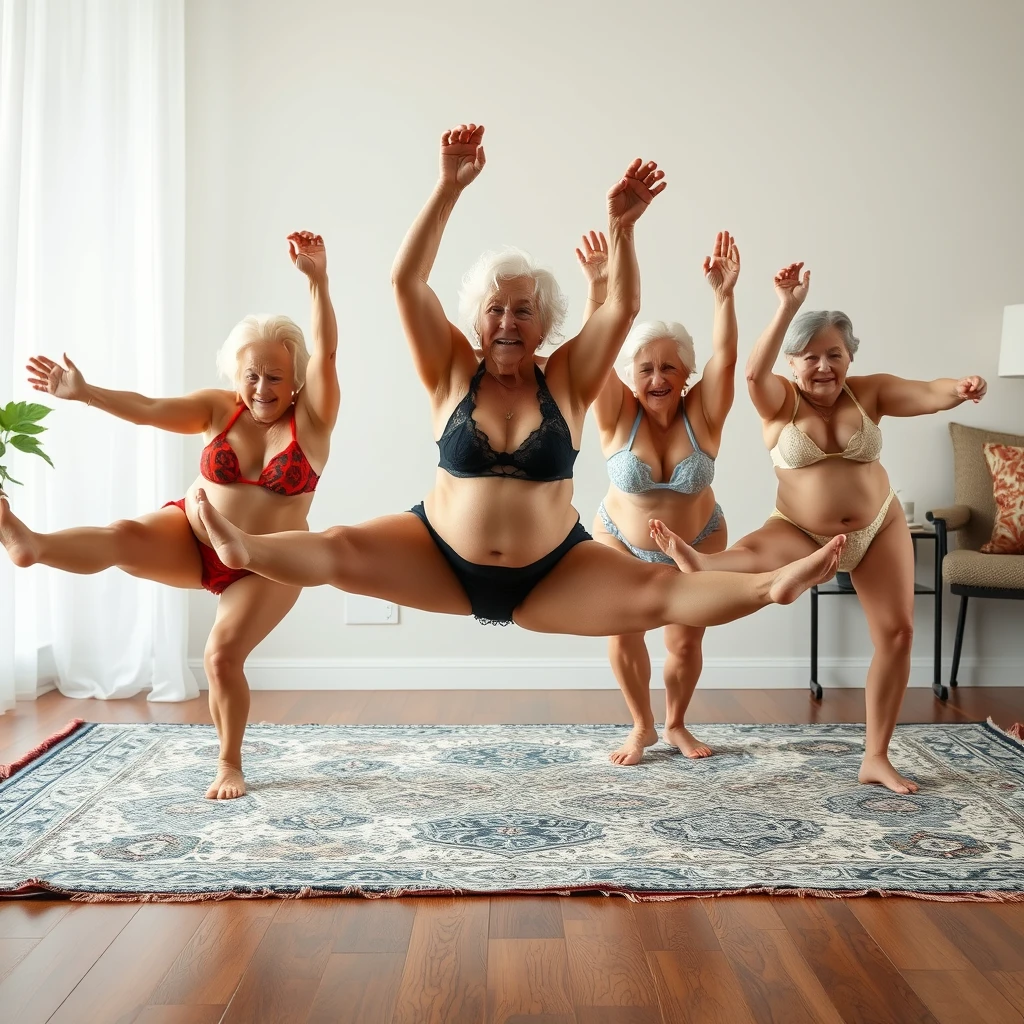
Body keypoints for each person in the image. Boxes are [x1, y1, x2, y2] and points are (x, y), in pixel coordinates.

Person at [192, 124, 844, 651]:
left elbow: (620, 309)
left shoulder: (567, 378)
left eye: (524, 309)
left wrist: (621, 229)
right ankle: (244, 548)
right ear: (476, 320)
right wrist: (447, 188)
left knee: (659, 595)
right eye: (496, 310)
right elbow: (406, 284)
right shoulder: (450, 368)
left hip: (552, 573)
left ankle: (770, 588)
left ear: (543, 324)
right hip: (440, 556)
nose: (508, 321)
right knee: (337, 549)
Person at [0, 231, 340, 800]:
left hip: (269, 562)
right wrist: (86, 393)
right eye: (251, 375)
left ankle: (228, 762)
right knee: (124, 535)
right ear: (237, 374)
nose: (261, 388)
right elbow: (152, 410)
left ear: (297, 378)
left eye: (275, 377)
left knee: (221, 654)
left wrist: (318, 282)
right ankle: (32, 545)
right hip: (195, 531)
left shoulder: (317, 418)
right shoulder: (217, 407)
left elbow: (328, 351)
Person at [650, 261, 987, 794]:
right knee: (745, 562)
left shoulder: (869, 393)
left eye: (835, 354)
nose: (824, 366)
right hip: (801, 530)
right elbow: (753, 375)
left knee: (898, 634)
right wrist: (785, 305)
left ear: (850, 357)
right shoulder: (780, 399)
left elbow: (926, 392)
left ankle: (876, 756)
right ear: (794, 361)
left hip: (879, 525)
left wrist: (960, 388)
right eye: (810, 357)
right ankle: (702, 566)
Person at [578, 229, 739, 764]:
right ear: (630, 375)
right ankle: (640, 726)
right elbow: (591, 355)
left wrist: (724, 297)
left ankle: (676, 724)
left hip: (698, 537)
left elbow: (729, 359)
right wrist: (598, 294)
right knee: (624, 633)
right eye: (645, 367)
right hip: (621, 539)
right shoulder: (616, 411)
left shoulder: (704, 413)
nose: (657, 377)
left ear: (686, 372)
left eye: (669, 366)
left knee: (686, 641)